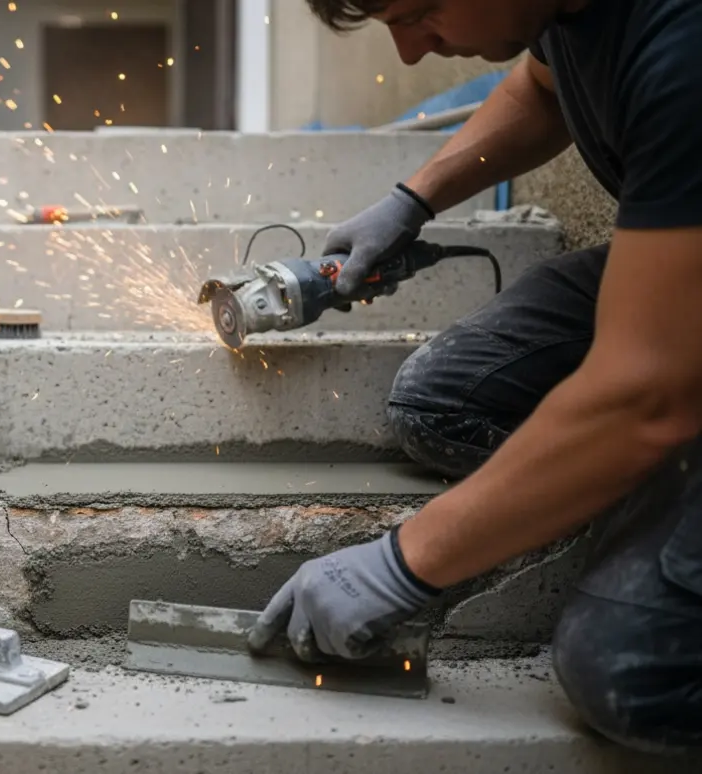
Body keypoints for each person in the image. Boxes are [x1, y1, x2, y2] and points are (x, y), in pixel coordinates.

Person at [247, 0, 702, 755]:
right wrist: (412, 200)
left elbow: (643, 399)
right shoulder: (564, 14)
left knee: (630, 668)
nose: (413, 53)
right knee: (443, 400)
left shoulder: (686, 45)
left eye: (417, 14)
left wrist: (405, 562)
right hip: (675, 265)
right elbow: (542, 88)